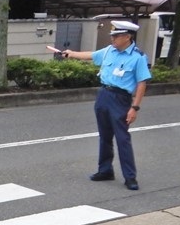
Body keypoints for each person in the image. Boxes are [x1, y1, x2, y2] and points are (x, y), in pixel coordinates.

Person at [62, 20, 152, 191]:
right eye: (112, 35)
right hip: (104, 95)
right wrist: (71, 53)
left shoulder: (138, 57)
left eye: (116, 36)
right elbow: (91, 55)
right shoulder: (109, 51)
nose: (112, 39)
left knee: (122, 139)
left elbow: (142, 83)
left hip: (121, 99)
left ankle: (130, 177)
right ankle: (105, 170)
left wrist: (135, 107)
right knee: (104, 137)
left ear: (128, 37)